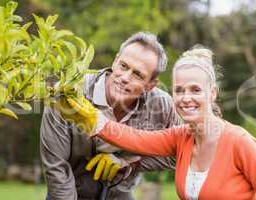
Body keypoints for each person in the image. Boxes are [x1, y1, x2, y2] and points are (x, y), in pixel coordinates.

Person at [62, 46, 256, 199]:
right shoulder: (180, 137)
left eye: (195, 90)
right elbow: (135, 138)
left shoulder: (240, 142)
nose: (186, 98)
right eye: (179, 90)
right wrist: (94, 120)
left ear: (213, 93)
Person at [40, 32, 181, 200]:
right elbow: (57, 169)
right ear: (115, 61)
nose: (125, 78)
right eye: (123, 66)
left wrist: (127, 162)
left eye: (138, 74)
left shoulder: (161, 105)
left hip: (121, 195)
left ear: (150, 85)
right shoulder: (69, 94)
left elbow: (180, 153)